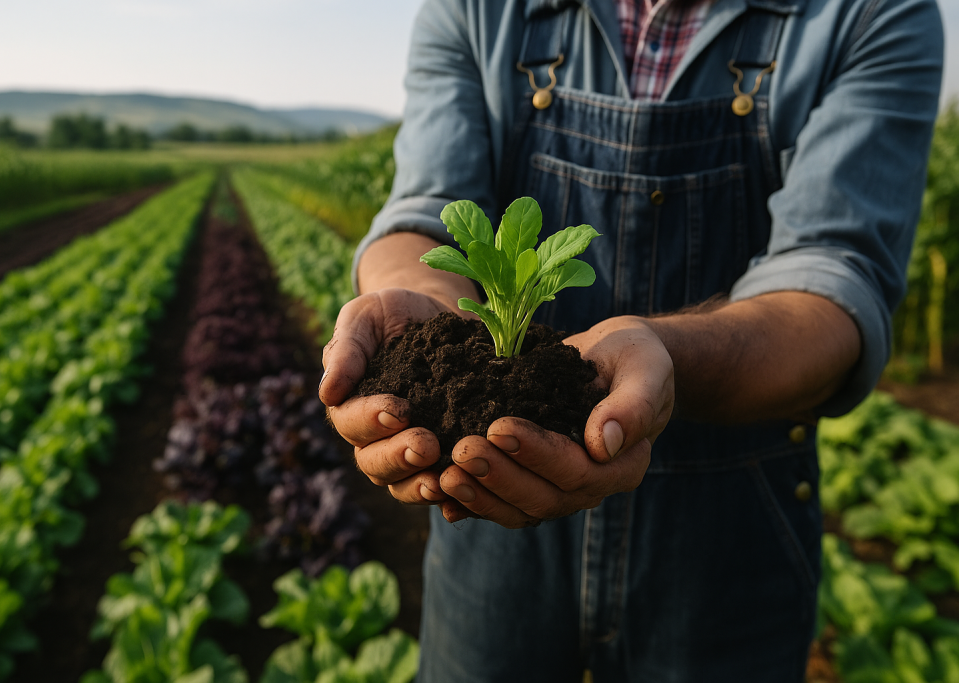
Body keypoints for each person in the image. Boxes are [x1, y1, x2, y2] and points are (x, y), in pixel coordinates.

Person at [319, 0, 944, 679]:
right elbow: (425, 213)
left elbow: (833, 285)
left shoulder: (872, 13)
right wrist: (430, 311)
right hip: (486, 497)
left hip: (727, 535)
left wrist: (666, 352)